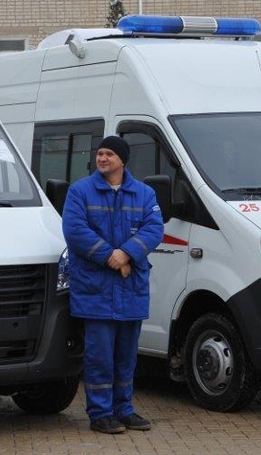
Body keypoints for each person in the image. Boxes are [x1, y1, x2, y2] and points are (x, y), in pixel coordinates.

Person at [61, 135, 164, 434]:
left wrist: (127, 253)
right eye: (100, 153)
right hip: (96, 289)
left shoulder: (144, 194)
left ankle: (124, 410)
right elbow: (75, 230)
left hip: (130, 288)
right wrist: (111, 257)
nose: (102, 158)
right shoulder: (80, 191)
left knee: (126, 357)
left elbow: (154, 228)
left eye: (109, 154)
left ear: (122, 160)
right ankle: (101, 414)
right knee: (100, 357)